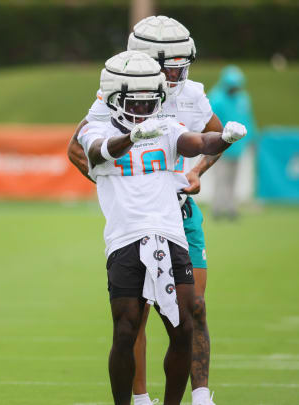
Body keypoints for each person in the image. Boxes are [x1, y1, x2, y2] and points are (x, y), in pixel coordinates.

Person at [67, 15, 223, 405]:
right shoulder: (112, 96)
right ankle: (139, 397)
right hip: (135, 221)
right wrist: (122, 187)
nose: (179, 74)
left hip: (181, 213)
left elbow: (214, 138)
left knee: (194, 309)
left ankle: (201, 396)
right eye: (171, 66)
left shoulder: (192, 93)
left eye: (182, 65)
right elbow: (76, 148)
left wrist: (196, 172)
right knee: (134, 316)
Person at [207, 65, 257, 220]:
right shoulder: (216, 98)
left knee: (233, 180)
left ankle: (230, 208)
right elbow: (208, 121)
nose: (235, 89)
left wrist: (252, 137)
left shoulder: (243, 99)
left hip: (238, 147)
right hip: (219, 147)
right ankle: (217, 209)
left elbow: (248, 120)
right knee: (221, 179)